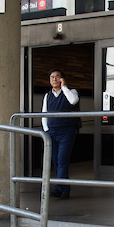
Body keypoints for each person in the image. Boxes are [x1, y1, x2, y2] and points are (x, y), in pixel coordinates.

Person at [41, 69, 79, 198]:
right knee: (56, 161)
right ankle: (64, 189)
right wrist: (47, 130)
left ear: (62, 79)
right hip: (52, 132)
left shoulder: (71, 92)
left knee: (62, 160)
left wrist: (64, 87)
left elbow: (73, 101)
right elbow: (44, 114)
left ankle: (59, 187)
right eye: (52, 77)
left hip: (67, 131)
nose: (54, 79)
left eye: (58, 77)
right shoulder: (47, 96)